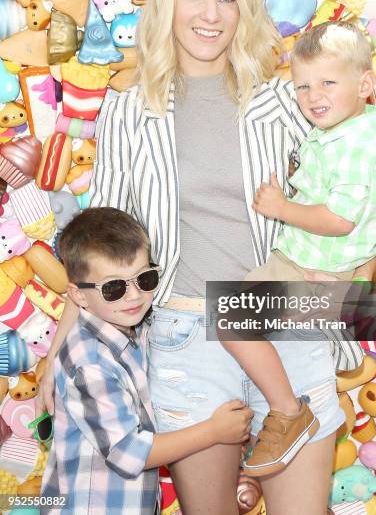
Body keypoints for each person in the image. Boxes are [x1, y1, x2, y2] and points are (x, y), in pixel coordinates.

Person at [38, 0, 364, 515]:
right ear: (166, 3)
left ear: (244, 10)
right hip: (185, 336)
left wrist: (351, 287)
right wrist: (57, 356)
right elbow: (98, 245)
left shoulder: (285, 102)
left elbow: (363, 184)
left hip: (285, 322)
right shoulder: (127, 111)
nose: (210, 15)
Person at [223, 21, 376, 478]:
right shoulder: (342, 129)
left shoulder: (355, 145)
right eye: (303, 86)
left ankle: (289, 411)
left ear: (365, 85)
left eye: (327, 83)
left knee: (230, 319)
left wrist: (280, 207)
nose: (313, 95)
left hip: (316, 264)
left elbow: (340, 220)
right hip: (314, 260)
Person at [41, 207, 252, 514]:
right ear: (79, 296)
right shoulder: (88, 362)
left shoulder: (136, 330)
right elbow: (128, 453)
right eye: (114, 288)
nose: (134, 296)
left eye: (145, 278)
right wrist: (214, 431)